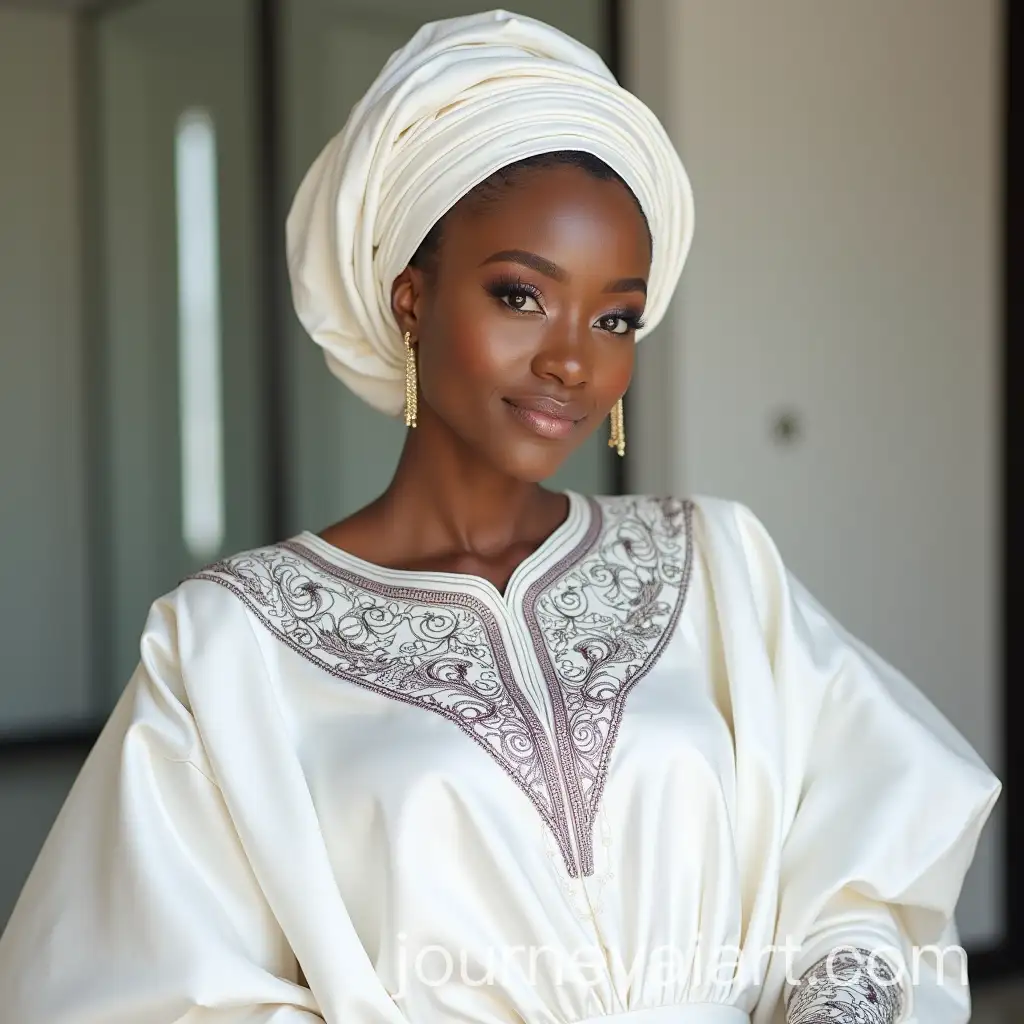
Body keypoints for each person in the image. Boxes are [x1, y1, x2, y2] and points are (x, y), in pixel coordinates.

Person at [0, 10, 999, 1024]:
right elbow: (137, 991)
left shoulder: (715, 562)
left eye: (615, 316)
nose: (574, 359)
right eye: (522, 295)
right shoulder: (225, 647)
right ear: (409, 300)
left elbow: (866, 866)